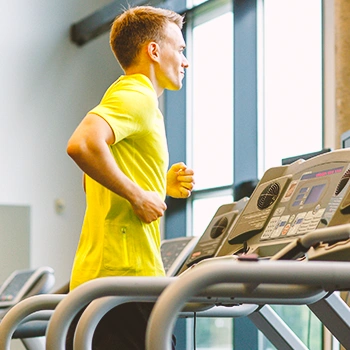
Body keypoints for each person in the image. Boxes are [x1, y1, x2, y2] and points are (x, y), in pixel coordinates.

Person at [65, 5, 194, 350]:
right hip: (124, 278)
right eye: (180, 49)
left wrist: (156, 185)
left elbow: (93, 175)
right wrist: (138, 194)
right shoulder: (136, 95)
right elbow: (81, 145)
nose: (185, 61)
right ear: (153, 50)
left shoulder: (130, 97)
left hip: (105, 276)